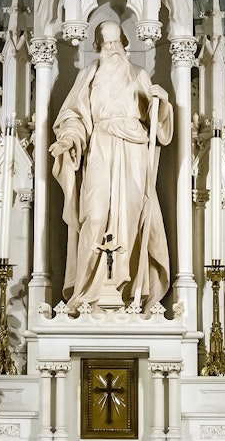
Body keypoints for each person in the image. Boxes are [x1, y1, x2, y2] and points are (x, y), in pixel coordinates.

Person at [50, 21, 173, 312]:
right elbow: (74, 116)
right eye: (107, 43)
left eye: (117, 42)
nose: (113, 49)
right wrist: (67, 139)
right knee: (93, 216)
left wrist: (162, 104)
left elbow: (156, 123)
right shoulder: (88, 76)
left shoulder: (139, 75)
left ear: (125, 44)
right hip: (101, 147)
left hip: (133, 152)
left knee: (131, 217)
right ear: (97, 46)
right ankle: (86, 292)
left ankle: (127, 291)